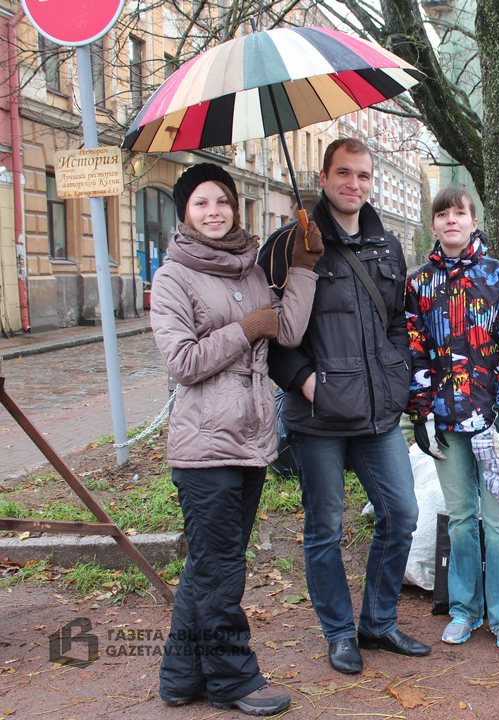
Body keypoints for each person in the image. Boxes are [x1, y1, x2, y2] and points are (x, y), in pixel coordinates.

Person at [151, 162, 322, 716]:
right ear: (185, 213)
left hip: (250, 440)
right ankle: (232, 679)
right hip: (205, 445)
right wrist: (246, 328)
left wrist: (303, 267)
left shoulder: (249, 270)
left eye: (222, 201)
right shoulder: (173, 277)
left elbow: (286, 330)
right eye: (201, 203)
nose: (214, 211)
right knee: (221, 567)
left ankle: (180, 676)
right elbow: (182, 362)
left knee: (210, 563)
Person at [257, 138, 430, 675]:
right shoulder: (289, 244)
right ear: (323, 177)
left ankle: (377, 622)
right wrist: (306, 382)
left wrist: (397, 373)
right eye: (343, 173)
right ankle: (338, 633)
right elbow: (270, 331)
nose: (354, 184)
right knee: (324, 529)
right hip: (319, 418)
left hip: (377, 412)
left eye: (363, 175)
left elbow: (396, 320)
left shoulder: (387, 245)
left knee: (402, 513)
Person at [405, 187, 499, 652]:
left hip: (493, 419)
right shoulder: (419, 284)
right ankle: (464, 610)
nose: (451, 220)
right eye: (442, 214)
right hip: (446, 420)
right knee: (461, 518)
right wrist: (420, 413)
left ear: (473, 221)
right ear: (433, 224)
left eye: (459, 213)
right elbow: (414, 349)